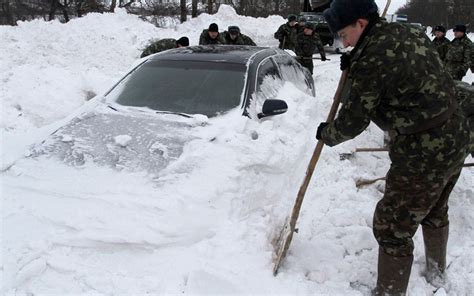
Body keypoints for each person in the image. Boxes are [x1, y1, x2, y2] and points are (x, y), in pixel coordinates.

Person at [318, 0, 471, 294]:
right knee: (435, 208)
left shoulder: (371, 58)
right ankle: (436, 274)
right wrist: (357, 59)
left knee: (392, 227)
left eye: (343, 34)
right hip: (456, 133)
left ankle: (390, 292)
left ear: (361, 23)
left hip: (424, 150)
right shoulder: (407, 33)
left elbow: (353, 121)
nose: (342, 41)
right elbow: (405, 74)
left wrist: (327, 133)